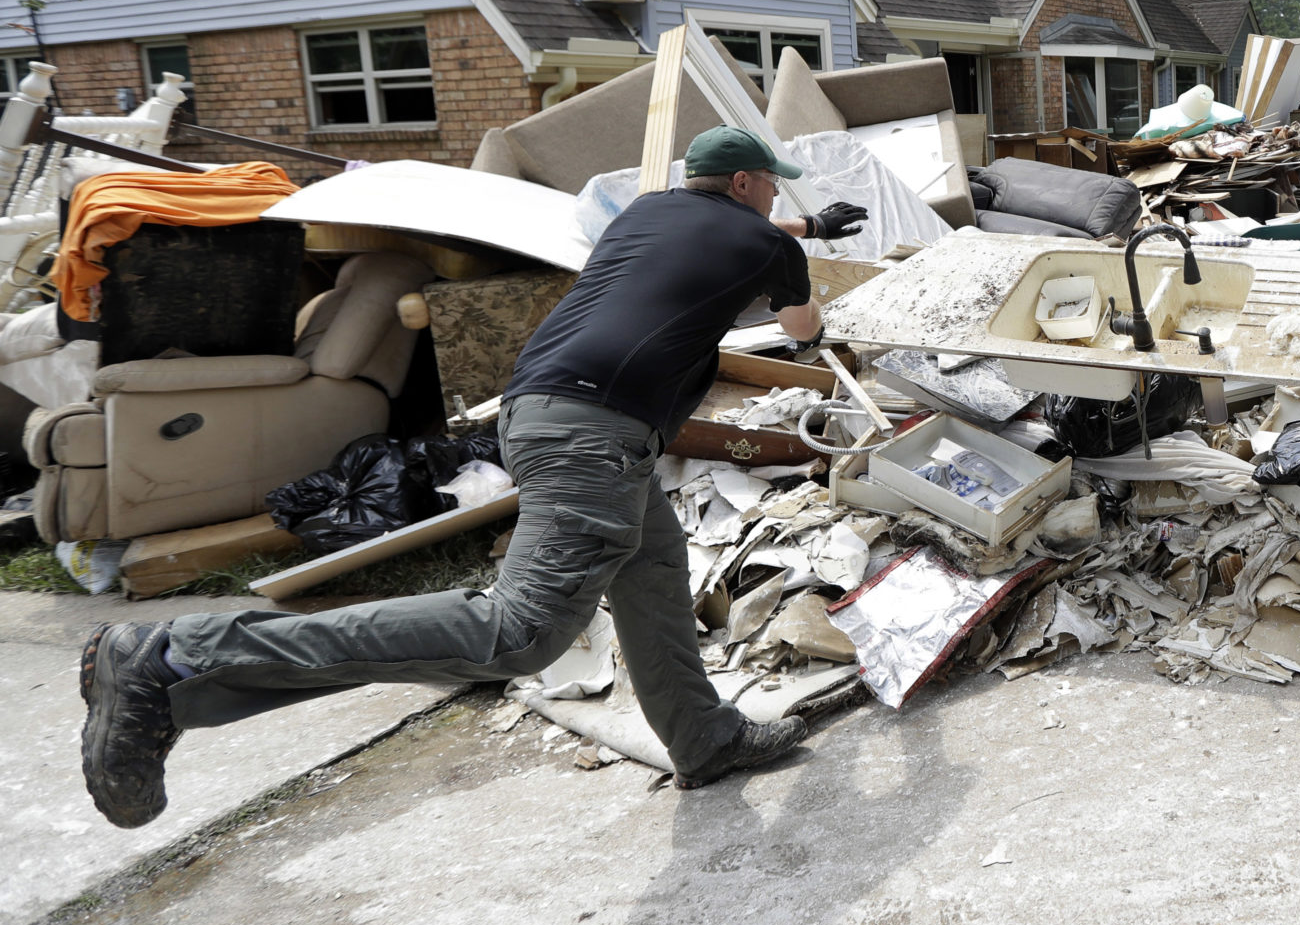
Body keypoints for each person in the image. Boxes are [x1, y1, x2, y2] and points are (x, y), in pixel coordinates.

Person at [77, 126, 870, 828]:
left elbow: (715, 241)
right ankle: (175, 657)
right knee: (518, 632)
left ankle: (706, 739)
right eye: (773, 183)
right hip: (596, 431)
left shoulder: (644, 213)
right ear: (744, 184)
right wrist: (807, 266)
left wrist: (802, 227)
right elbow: (801, 326)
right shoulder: (768, 245)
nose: (778, 195)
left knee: (653, 568)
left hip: (541, 411)